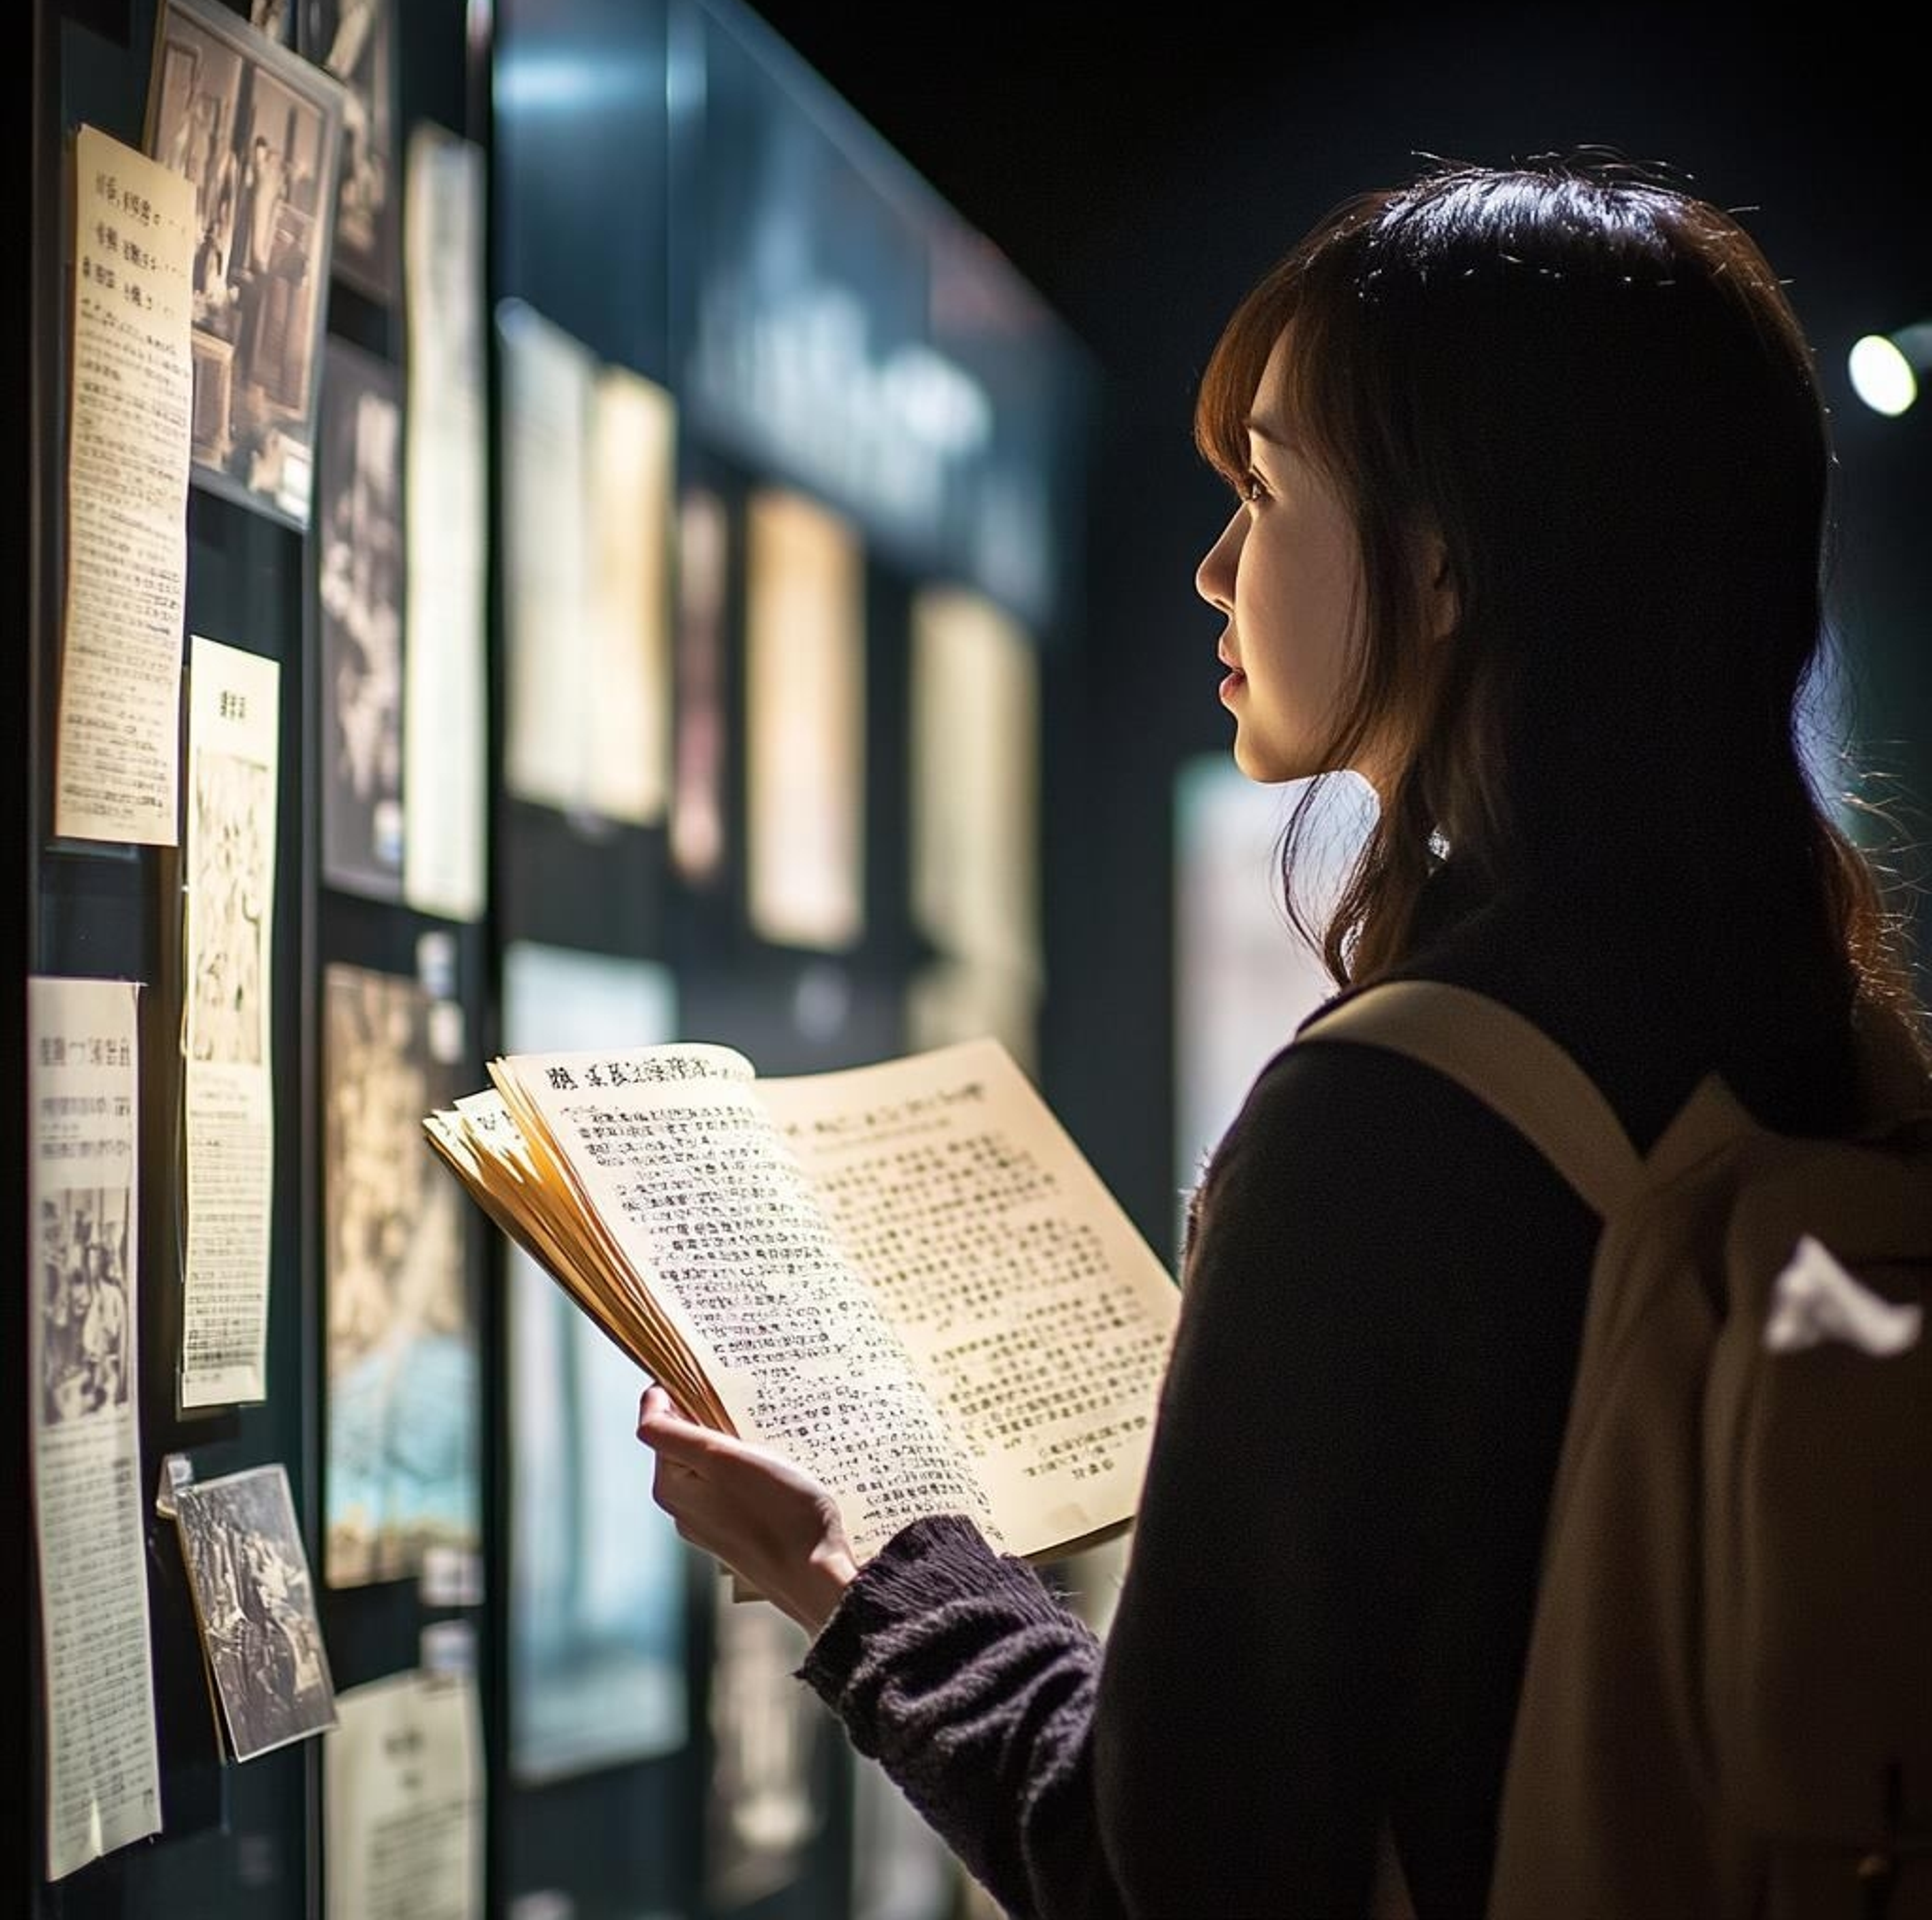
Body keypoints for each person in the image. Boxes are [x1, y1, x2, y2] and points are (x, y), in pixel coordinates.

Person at [634, 152, 1927, 1918]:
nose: (1213, 564)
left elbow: (1166, 1874)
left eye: (1267, 485)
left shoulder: (1397, 1110)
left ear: (1452, 560)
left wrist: (868, 1575)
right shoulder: (1824, 1035)